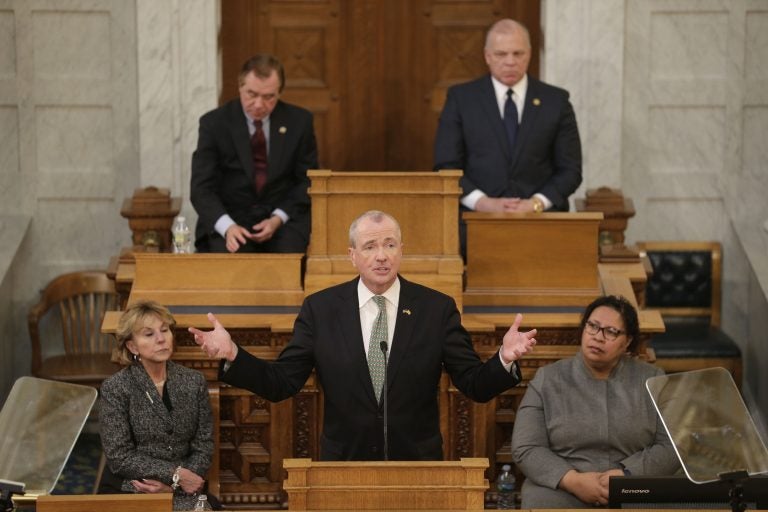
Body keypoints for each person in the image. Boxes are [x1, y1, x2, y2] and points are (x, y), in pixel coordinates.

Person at [189, 210, 537, 461]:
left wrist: (504, 358)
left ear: (402, 250)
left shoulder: (436, 309)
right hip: (344, 465)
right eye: (370, 246)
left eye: (390, 245)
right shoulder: (321, 309)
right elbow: (282, 383)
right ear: (352, 256)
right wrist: (234, 353)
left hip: (417, 465)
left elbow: (473, 385)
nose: (381, 256)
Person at [511, 295, 680, 508]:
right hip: (561, 487)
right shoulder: (548, 379)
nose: (598, 337)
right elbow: (527, 447)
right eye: (593, 326)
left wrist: (627, 475)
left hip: (634, 487)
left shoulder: (652, 379)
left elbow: (672, 445)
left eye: (611, 332)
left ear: (627, 341)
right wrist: (573, 480)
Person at [433, 19, 582, 257]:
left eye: (518, 53)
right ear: (487, 56)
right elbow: (446, 166)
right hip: (474, 226)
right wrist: (483, 203)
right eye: (501, 54)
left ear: (530, 54)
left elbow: (571, 170)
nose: (510, 61)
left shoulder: (556, 101)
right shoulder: (462, 100)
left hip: (542, 225)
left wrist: (535, 204)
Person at [191, 54, 318, 253]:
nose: (259, 104)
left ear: (279, 92)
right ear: (240, 87)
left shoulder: (299, 122)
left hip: (282, 221)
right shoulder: (214, 124)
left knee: (287, 268)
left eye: (268, 97)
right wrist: (227, 227)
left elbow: (307, 181)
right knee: (233, 267)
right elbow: (201, 188)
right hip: (232, 220)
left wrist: (278, 218)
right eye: (251, 94)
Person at [99, 300, 217, 511]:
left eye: (165, 330)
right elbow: (120, 457)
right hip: (133, 487)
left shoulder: (193, 381)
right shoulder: (116, 388)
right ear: (132, 346)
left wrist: (178, 484)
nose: (161, 339)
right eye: (149, 334)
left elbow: (203, 446)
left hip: (186, 490)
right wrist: (175, 475)